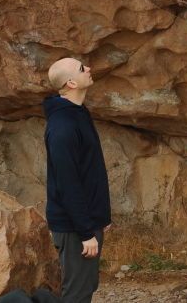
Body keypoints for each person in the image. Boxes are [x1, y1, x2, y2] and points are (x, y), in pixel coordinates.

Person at [43, 57, 111, 303]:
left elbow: (89, 171)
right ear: (71, 82)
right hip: (73, 228)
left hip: (86, 220)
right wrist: (84, 232)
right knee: (77, 294)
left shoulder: (78, 113)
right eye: (82, 68)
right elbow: (67, 183)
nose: (89, 68)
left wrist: (100, 217)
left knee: (87, 286)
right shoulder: (62, 126)